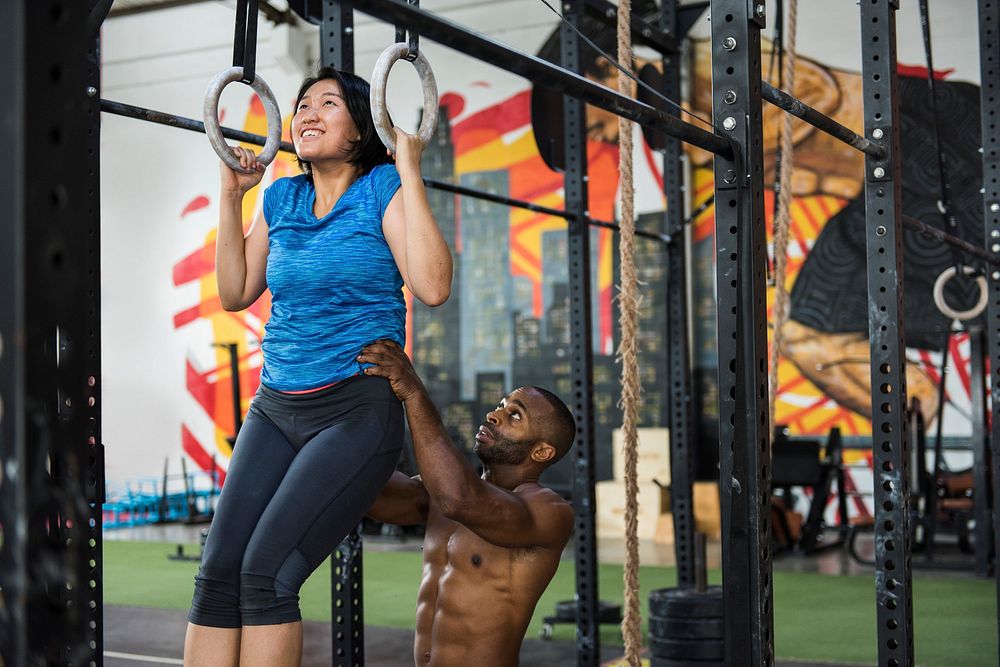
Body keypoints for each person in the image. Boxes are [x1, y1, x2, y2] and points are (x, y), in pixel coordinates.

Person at [183, 67, 453, 667]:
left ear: (363, 127)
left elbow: (432, 286)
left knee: (266, 574)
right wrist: (232, 196)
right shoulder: (281, 197)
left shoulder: (381, 188)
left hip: (354, 408)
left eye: (327, 104)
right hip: (277, 406)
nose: (307, 111)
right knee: (217, 573)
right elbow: (234, 291)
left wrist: (409, 169)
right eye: (302, 103)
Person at [358, 341, 576, 666]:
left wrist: (414, 393)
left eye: (514, 415)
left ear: (542, 452)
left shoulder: (550, 512)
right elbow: (369, 494)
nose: (494, 415)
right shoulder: (441, 494)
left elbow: (462, 501)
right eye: (501, 405)